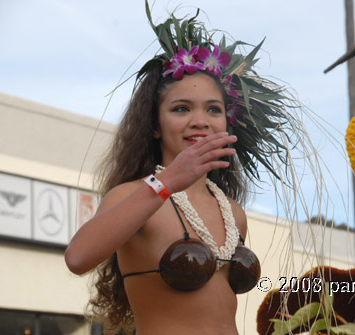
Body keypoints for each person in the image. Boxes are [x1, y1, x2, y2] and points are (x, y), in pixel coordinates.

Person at [64, 4, 309, 335]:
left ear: (227, 122)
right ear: (154, 125)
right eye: (181, 109)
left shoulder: (232, 213)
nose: (200, 121)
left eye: (213, 109)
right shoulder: (133, 195)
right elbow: (78, 257)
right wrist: (167, 181)